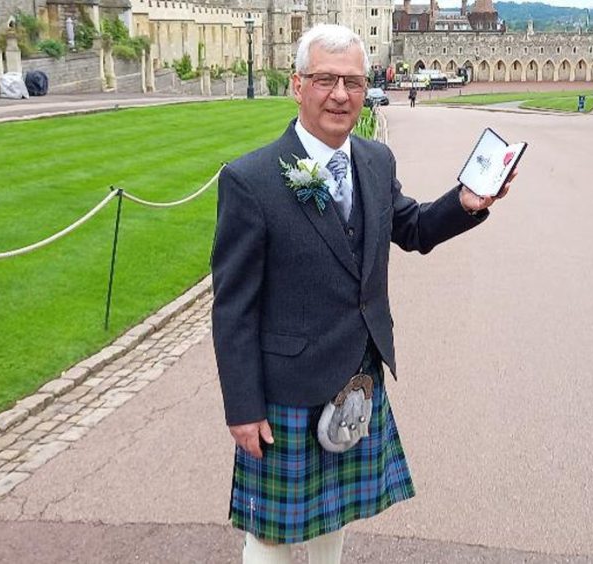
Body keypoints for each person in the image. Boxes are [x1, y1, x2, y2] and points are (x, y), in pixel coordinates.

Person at [211, 24, 512, 564]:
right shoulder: (249, 180)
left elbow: (414, 228)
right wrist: (242, 405)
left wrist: (465, 202)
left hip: (356, 375)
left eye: (353, 80)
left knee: (334, 515)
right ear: (296, 85)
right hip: (287, 388)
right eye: (325, 79)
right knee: (274, 536)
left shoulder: (375, 161)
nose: (341, 94)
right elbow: (233, 306)